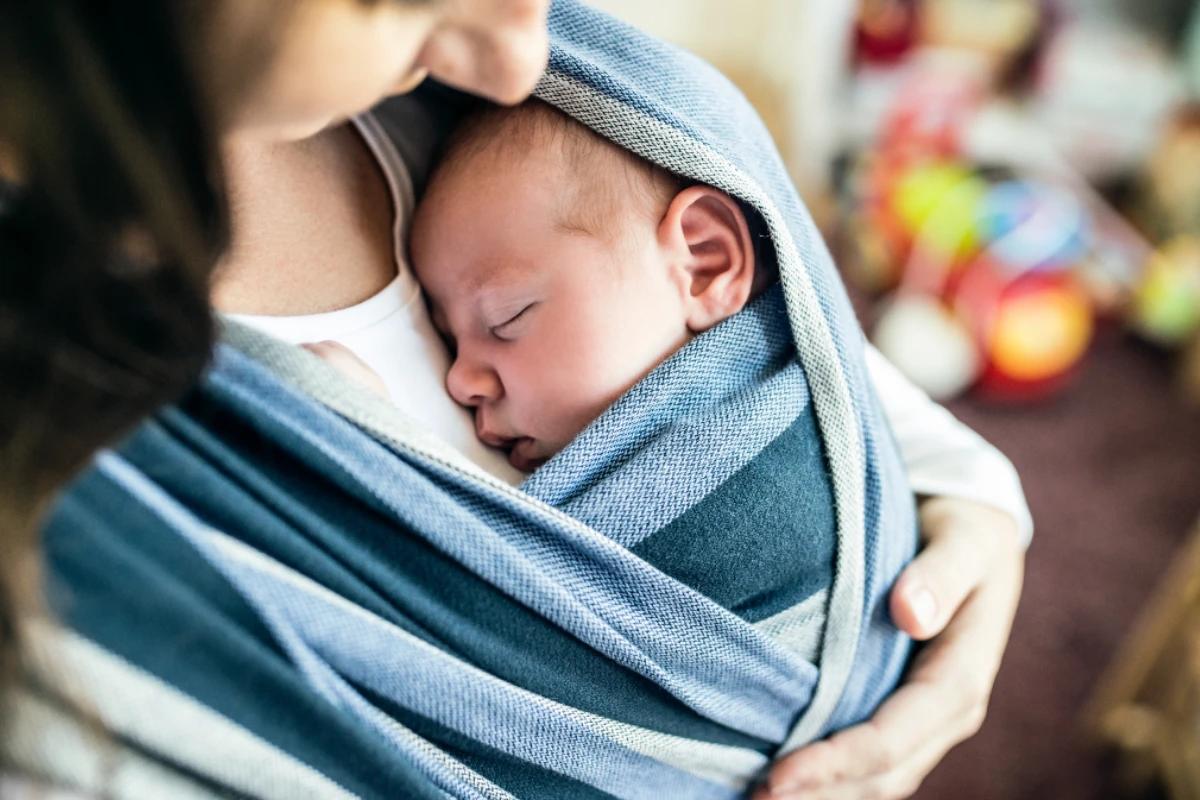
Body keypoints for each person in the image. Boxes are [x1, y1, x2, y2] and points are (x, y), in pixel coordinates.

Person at [0, 1, 1028, 798]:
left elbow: (782, 334)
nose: (518, 56)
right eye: (397, 2)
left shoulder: (563, 108)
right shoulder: (70, 464)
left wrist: (973, 494)